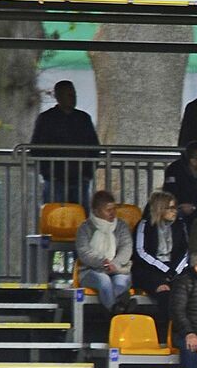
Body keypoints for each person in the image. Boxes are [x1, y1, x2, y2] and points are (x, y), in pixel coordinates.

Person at [30, 78, 100, 209]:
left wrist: (87, 173)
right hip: (55, 179)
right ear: (58, 96)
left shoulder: (83, 119)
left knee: (80, 218)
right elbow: (36, 148)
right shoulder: (46, 119)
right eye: (69, 95)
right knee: (54, 216)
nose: (73, 98)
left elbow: (95, 148)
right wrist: (48, 172)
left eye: (74, 94)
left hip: (80, 178)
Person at [133, 192, 190, 329]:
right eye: (169, 208)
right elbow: (141, 252)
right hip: (149, 269)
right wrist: (164, 269)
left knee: (184, 290)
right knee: (165, 292)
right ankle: (165, 331)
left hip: (175, 269)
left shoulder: (180, 225)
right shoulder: (144, 225)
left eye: (174, 208)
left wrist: (174, 270)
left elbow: (186, 250)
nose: (174, 211)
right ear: (159, 209)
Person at [73, 191, 132, 310]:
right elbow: (84, 252)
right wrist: (103, 262)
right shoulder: (85, 228)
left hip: (118, 269)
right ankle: (118, 310)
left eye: (114, 209)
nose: (113, 213)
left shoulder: (121, 226)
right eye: (108, 210)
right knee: (104, 281)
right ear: (96, 211)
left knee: (121, 283)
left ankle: (114, 310)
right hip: (90, 270)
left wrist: (114, 264)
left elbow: (126, 248)